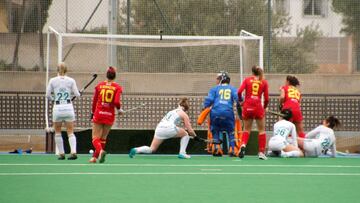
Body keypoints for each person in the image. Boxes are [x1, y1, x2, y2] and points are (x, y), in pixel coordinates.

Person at [129, 98, 196, 159]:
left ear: (179, 105)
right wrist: (195, 136)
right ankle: (182, 153)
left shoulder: (171, 111)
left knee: (152, 149)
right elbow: (190, 130)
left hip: (159, 128)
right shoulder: (184, 114)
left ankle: (136, 150)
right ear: (186, 108)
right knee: (185, 134)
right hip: (169, 128)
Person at [46, 62, 81, 160]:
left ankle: (61, 154)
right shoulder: (71, 80)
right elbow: (77, 94)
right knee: (70, 131)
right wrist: (79, 94)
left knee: (57, 132)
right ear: (66, 70)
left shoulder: (52, 80)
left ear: (57, 70)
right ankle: (73, 152)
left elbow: (47, 95)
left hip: (57, 109)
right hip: (68, 108)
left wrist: (54, 100)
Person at [203, 71, 242, 156]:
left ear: (221, 79)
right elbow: (239, 99)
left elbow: (208, 101)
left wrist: (204, 107)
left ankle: (217, 149)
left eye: (217, 78)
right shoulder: (233, 89)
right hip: (228, 113)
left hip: (215, 113)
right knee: (231, 131)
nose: (216, 80)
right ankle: (232, 149)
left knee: (215, 130)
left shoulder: (214, 89)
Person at [90, 66, 123, 163]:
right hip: (109, 115)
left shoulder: (99, 86)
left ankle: (100, 152)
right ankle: (95, 158)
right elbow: (116, 102)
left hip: (99, 114)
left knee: (95, 138)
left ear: (106, 75)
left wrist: (92, 112)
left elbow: (95, 101)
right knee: (103, 138)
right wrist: (119, 109)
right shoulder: (117, 87)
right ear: (115, 76)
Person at [237, 65, 269, 160]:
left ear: (252, 72)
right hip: (258, 107)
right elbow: (267, 99)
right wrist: (264, 107)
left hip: (247, 106)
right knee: (261, 130)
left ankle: (243, 145)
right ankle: (261, 153)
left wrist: (241, 101)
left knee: (246, 129)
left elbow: (239, 92)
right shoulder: (264, 82)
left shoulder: (247, 80)